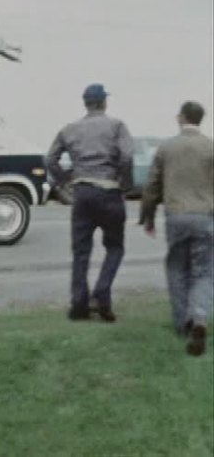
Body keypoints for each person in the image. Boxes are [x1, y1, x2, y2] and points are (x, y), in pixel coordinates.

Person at [46, 84, 134, 322]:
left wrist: (67, 180)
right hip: (109, 191)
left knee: (81, 251)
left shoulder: (69, 129)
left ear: (86, 103)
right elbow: (126, 156)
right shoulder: (117, 126)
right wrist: (124, 183)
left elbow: (50, 159)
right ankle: (101, 294)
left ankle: (79, 306)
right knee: (115, 247)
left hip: (82, 192)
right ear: (104, 103)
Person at [139, 101, 213, 356]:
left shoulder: (167, 147)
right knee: (204, 272)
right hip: (205, 217)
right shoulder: (210, 147)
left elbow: (152, 186)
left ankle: (183, 323)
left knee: (177, 269)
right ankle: (200, 317)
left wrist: (147, 217)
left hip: (176, 216)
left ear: (182, 118)